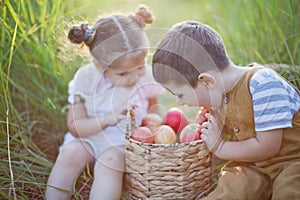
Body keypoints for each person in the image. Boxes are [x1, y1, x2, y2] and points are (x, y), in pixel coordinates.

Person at [152, 21, 300, 199]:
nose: (180, 102)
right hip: (254, 165)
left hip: (293, 162)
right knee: (232, 188)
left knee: (290, 191)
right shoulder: (219, 96)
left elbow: (268, 147)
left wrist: (220, 146)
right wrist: (214, 125)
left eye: (181, 95)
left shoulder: (263, 84)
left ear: (207, 81)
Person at [45, 5, 164, 200]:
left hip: (120, 145)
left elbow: (154, 106)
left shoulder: (145, 78)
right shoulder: (85, 79)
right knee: (69, 155)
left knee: (110, 163)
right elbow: (75, 126)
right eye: (124, 73)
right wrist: (109, 118)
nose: (135, 77)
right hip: (86, 139)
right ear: (100, 65)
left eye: (140, 66)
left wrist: (154, 120)